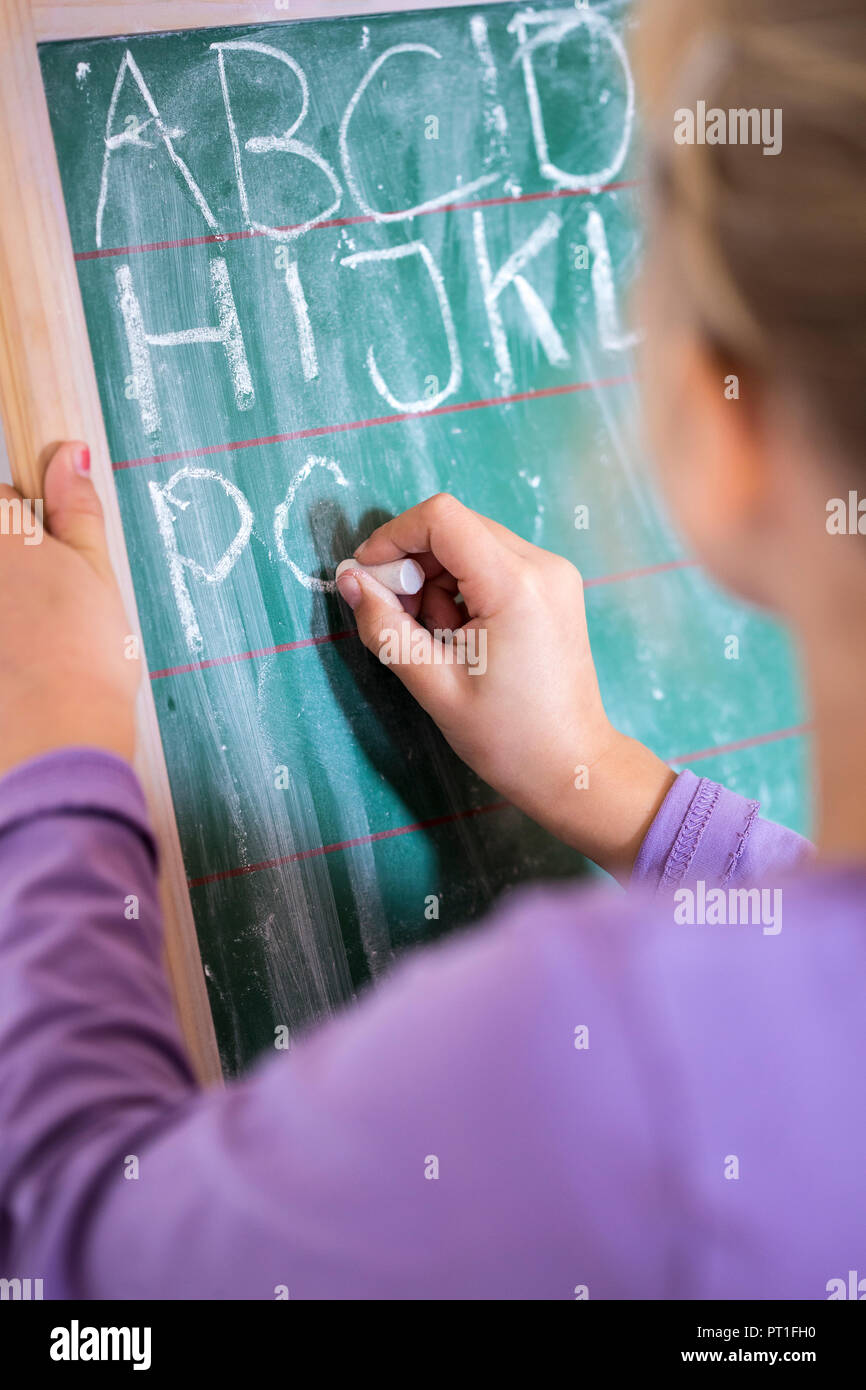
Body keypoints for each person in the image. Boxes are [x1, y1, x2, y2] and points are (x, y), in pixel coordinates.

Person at [0, 0, 862, 1299]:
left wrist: (52, 751)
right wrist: (596, 781)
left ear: (725, 424)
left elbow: (76, 1270)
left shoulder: (632, 1071)